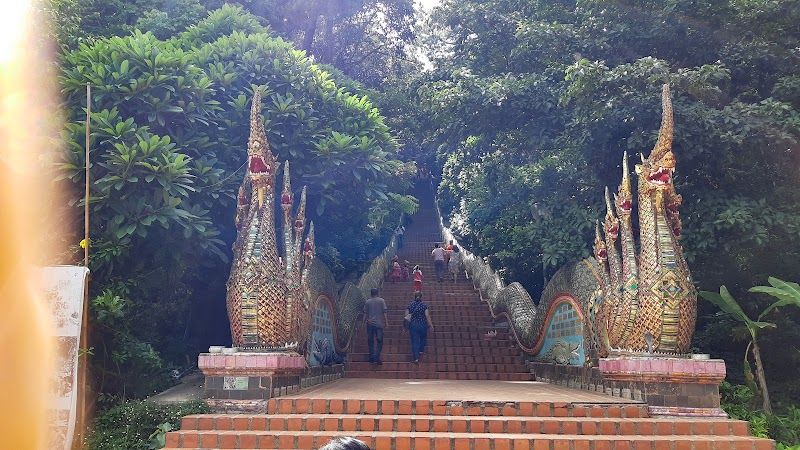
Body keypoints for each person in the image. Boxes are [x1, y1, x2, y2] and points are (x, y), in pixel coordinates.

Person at [406, 291, 434, 363]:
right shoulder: (424, 305)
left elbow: (406, 316)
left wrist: (405, 326)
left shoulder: (410, 305)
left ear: (414, 296)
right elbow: (427, 315)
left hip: (413, 325)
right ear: (421, 297)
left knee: (414, 341)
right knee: (423, 338)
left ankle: (416, 358)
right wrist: (431, 325)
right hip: (422, 325)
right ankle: (421, 350)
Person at [363, 288, 388, 365]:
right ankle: (377, 357)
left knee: (370, 341)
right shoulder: (382, 301)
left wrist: (364, 322)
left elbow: (365, 313)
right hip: (379, 324)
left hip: (370, 324)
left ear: (371, 293)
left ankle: (372, 357)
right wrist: (386, 322)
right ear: (377, 293)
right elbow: (384, 312)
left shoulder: (367, 302)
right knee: (380, 341)